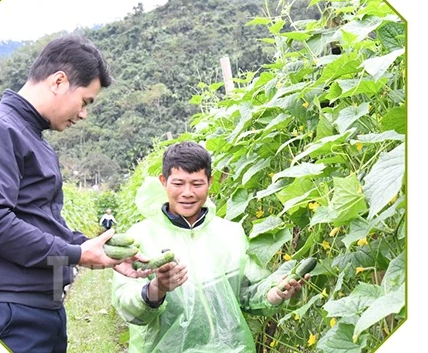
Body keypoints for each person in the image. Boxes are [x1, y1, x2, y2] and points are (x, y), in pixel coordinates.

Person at [0, 35, 147, 353]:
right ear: (59, 81)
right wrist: (76, 254)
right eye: (85, 101)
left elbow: (42, 221)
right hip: (11, 312)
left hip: (39, 309)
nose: (84, 114)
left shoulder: (34, 138)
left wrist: (96, 249)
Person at [111, 142, 304, 353]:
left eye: (196, 183)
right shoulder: (139, 237)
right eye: (178, 183)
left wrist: (273, 294)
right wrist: (157, 289)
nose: (187, 193)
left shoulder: (231, 233)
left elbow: (248, 291)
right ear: (163, 182)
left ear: (210, 182)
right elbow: (127, 307)